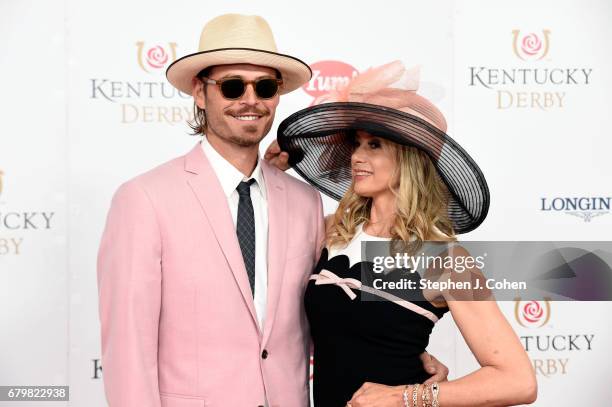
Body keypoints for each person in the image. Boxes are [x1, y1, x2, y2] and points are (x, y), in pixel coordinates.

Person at [96, 16, 447, 407]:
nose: (250, 100)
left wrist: (408, 369)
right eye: (232, 86)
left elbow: (348, 307)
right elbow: (128, 349)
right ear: (200, 92)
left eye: (264, 86)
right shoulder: (144, 199)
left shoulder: (305, 203)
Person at [268, 61, 537, 406]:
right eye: (357, 143)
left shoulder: (444, 260)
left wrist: (405, 397)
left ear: (410, 158)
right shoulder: (332, 230)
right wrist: (269, 173)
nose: (357, 157)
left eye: (375, 144)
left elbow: (517, 381)